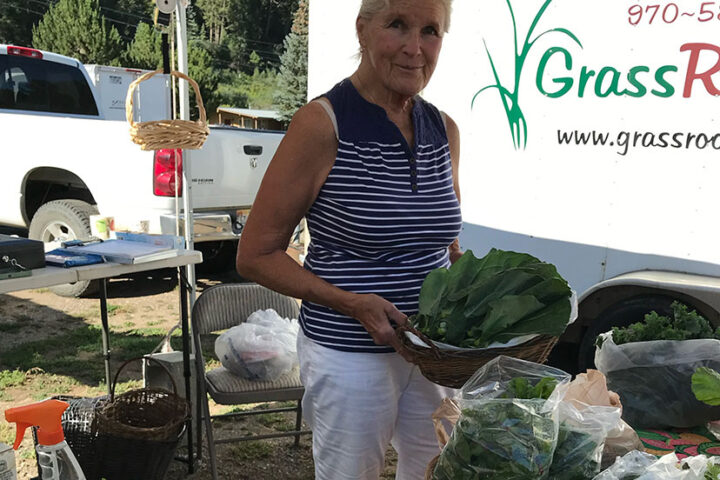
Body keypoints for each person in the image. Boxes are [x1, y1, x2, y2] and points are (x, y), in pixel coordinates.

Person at [236, 0, 461, 478]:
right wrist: (351, 302)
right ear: (363, 29)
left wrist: (471, 284)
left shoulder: (444, 129)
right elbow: (255, 255)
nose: (414, 48)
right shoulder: (322, 124)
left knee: (441, 468)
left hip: (434, 352)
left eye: (430, 31)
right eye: (397, 25)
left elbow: (445, 240)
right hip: (349, 352)